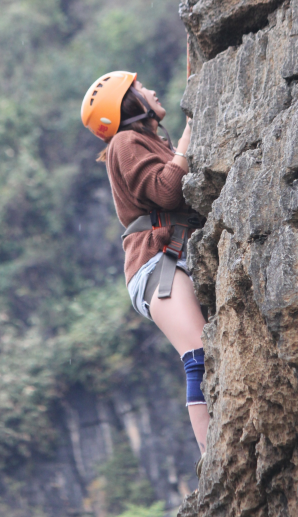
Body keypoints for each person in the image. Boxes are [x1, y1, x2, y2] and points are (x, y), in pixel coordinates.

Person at [81, 71, 210, 472]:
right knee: (198, 355)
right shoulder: (123, 142)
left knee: (208, 353)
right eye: (141, 89)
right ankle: (213, 457)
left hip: (170, 256)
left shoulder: (148, 140)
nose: (151, 90)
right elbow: (166, 191)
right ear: (128, 104)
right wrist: (189, 137)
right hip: (156, 265)